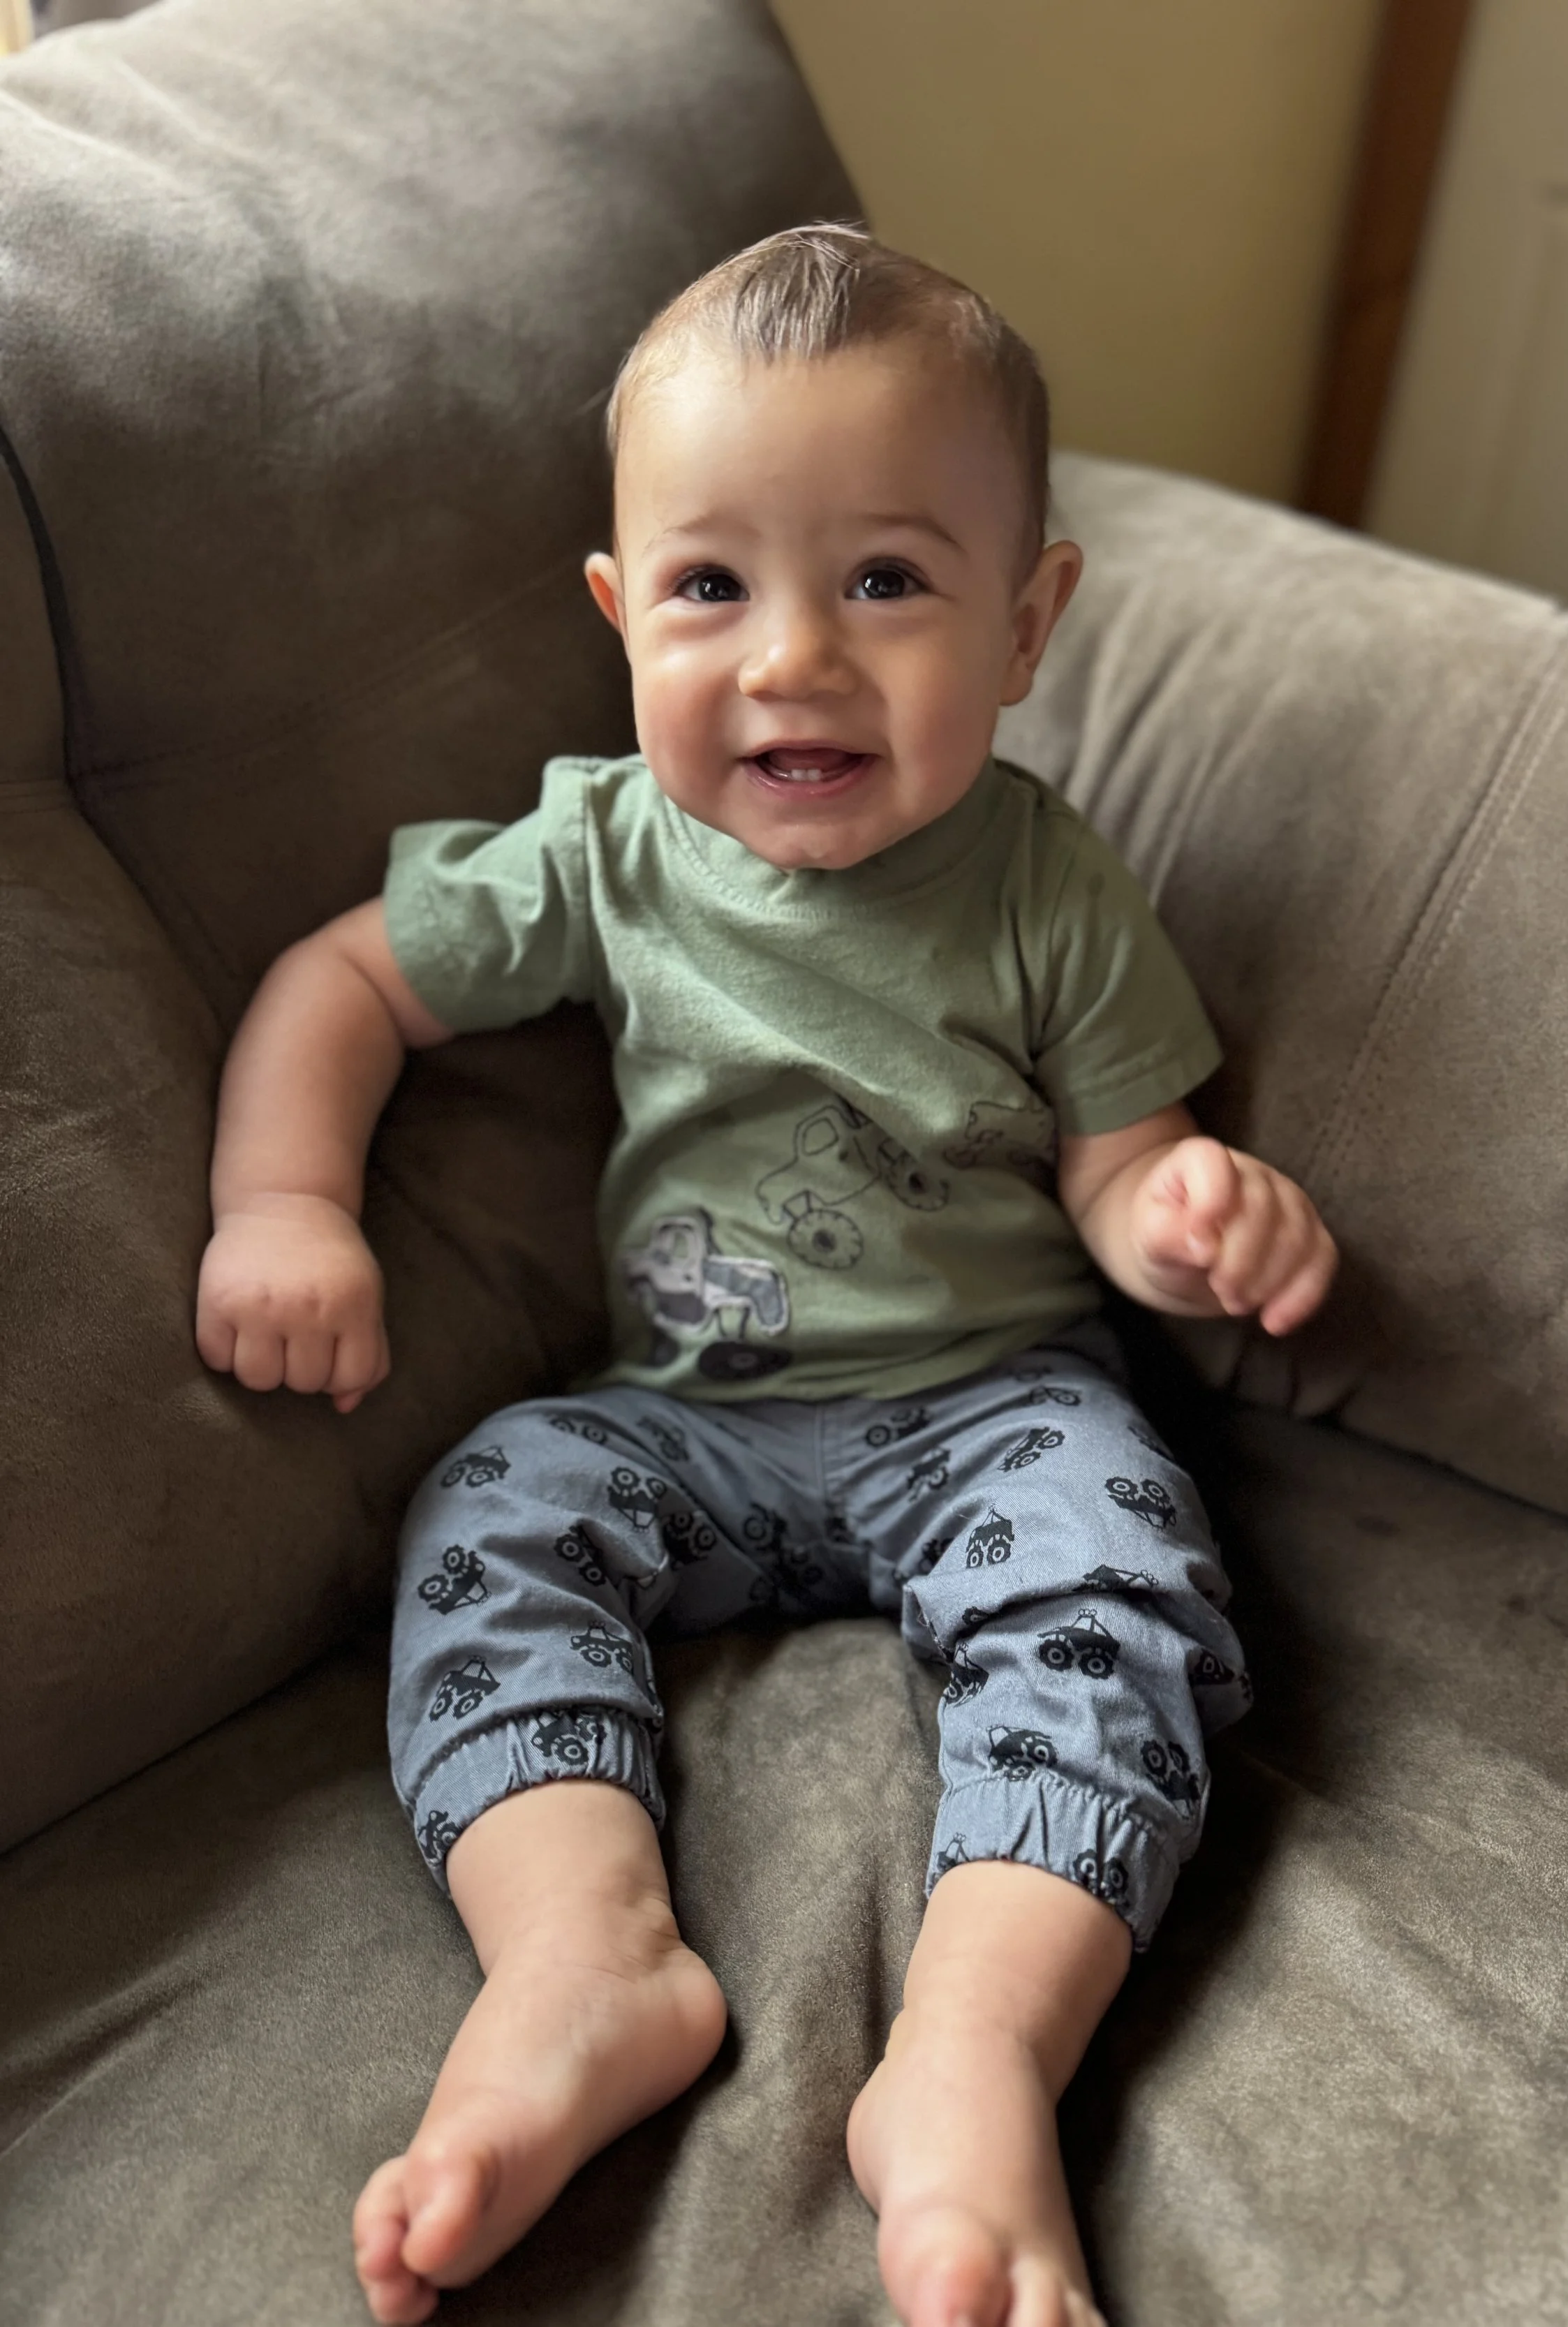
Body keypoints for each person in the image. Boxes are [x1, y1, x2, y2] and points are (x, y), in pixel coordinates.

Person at [195, 226, 1337, 2327]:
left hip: (997, 1394)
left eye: (887, 580)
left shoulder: (1045, 887)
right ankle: (582, 1958)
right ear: (623, 616)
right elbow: (348, 977)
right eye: (713, 587)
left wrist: (1181, 1214)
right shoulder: (607, 847)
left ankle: (975, 2054)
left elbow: (1117, 1159)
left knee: (1125, 1574)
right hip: (690, 1419)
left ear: (1025, 621)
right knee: (494, 1502)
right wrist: (285, 1200)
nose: (792, 658)